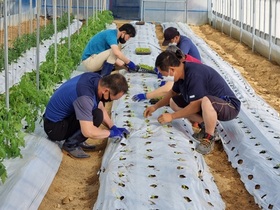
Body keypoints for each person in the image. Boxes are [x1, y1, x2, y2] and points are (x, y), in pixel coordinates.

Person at [143, 51, 241, 155]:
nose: (164, 77)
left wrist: (171, 116)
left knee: (206, 101)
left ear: (172, 70)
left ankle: (209, 137)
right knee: (174, 102)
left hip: (229, 106)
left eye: (164, 74)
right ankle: (205, 126)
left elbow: (195, 105)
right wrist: (155, 107)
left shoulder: (194, 74)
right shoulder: (181, 74)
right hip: (210, 104)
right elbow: (172, 93)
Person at [43, 72, 130, 159]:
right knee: (97, 116)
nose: (109, 101)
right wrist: (111, 133)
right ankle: (71, 145)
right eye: (111, 99)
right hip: (54, 128)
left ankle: (77, 139)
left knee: (97, 113)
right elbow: (88, 131)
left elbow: (99, 106)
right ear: (106, 90)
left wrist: (112, 127)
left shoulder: (96, 79)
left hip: (62, 118)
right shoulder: (85, 97)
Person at [132, 45, 201, 103]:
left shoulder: (186, 67)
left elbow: (167, 89)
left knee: (174, 101)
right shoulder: (181, 62)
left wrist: (146, 96)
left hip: (198, 95)